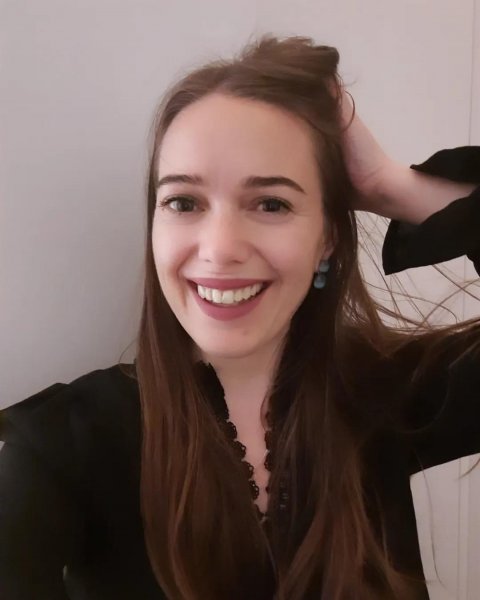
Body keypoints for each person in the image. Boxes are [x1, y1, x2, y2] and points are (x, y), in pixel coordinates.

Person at [0, 34, 479, 600]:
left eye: (271, 203)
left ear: (327, 238)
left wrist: (390, 187)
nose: (221, 248)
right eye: (183, 202)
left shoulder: (388, 391)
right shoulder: (61, 447)